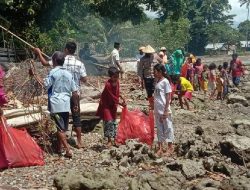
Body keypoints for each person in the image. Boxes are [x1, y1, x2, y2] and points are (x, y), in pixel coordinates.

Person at [33, 41, 87, 149]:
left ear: (66, 49)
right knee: (76, 118)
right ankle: (79, 142)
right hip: (73, 95)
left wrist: (39, 53)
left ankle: (62, 146)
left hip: (58, 99)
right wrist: (77, 77)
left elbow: (44, 64)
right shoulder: (79, 64)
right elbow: (85, 79)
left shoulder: (59, 60)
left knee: (59, 124)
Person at [44, 51, 78, 158]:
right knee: (63, 127)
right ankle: (59, 148)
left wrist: (34, 75)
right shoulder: (69, 74)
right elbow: (75, 91)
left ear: (54, 61)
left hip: (55, 104)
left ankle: (68, 150)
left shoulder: (53, 73)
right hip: (66, 104)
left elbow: (45, 85)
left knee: (59, 128)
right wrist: (75, 104)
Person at [96, 67, 126, 147]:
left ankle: (115, 139)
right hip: (106, 105)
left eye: (117, 76)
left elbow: (117, 92)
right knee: (108, 121)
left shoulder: (117, 82)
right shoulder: (108, 85)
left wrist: (122, 96)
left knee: (114, 122)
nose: (116, 78)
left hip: (113, 105)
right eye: (114, 77)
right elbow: (112, 97)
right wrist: (121, 103)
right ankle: (109, 140)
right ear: (110, 76)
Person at [153, 64, 174, 156]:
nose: (154, 73)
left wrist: (166, 110)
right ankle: (160, 147)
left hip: (164, 109)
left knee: (168, 127)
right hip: (157, 109)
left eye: (155, 71)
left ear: (160, 72)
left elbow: (168, 96)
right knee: (159, 128)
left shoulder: (165, 82)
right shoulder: (157, 81)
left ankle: (170, 147)